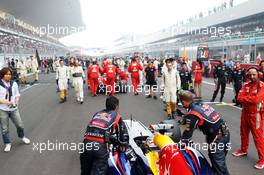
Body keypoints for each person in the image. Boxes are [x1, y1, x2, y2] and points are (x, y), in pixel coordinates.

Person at [179, 90, 230, 175]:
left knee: (219, 167)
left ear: (184, 102)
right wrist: (186, 118)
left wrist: (178, 145)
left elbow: (187, 135)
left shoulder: (193, 113)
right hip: (225, 133)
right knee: (220, 165)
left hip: (217, 140)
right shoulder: (201, 104)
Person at [80, 96, 129, 175]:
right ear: (117, 106)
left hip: (85, 145)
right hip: (100, 147)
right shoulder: (116, 116)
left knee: (85, 172)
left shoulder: (97, 113)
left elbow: (97, 129)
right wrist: (123, 145)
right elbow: (122, 139)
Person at [232, 67, 264, 170]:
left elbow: (256, 100)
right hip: (245, 113)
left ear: (258, 75)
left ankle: (262, 159)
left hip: (256, 115)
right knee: (244, 133)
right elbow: (239, 98)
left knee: (258, 137)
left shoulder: (262, 85)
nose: (252, 77)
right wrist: (250, 98)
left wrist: (246, 98)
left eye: (254, 74)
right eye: (250, 75)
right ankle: (243, 150)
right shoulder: (245, 85)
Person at [0, 67, 30, 152]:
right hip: (2, 109)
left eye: (10, 74)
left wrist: (16, 102)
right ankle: (7, 143)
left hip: (14, 109)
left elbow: (17, 95)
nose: (9, 76)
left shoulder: (14, 84)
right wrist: (6, 102)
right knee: (5, 128)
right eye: (6, 74)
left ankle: (22, 137)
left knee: (20, 125)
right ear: (2, 75)